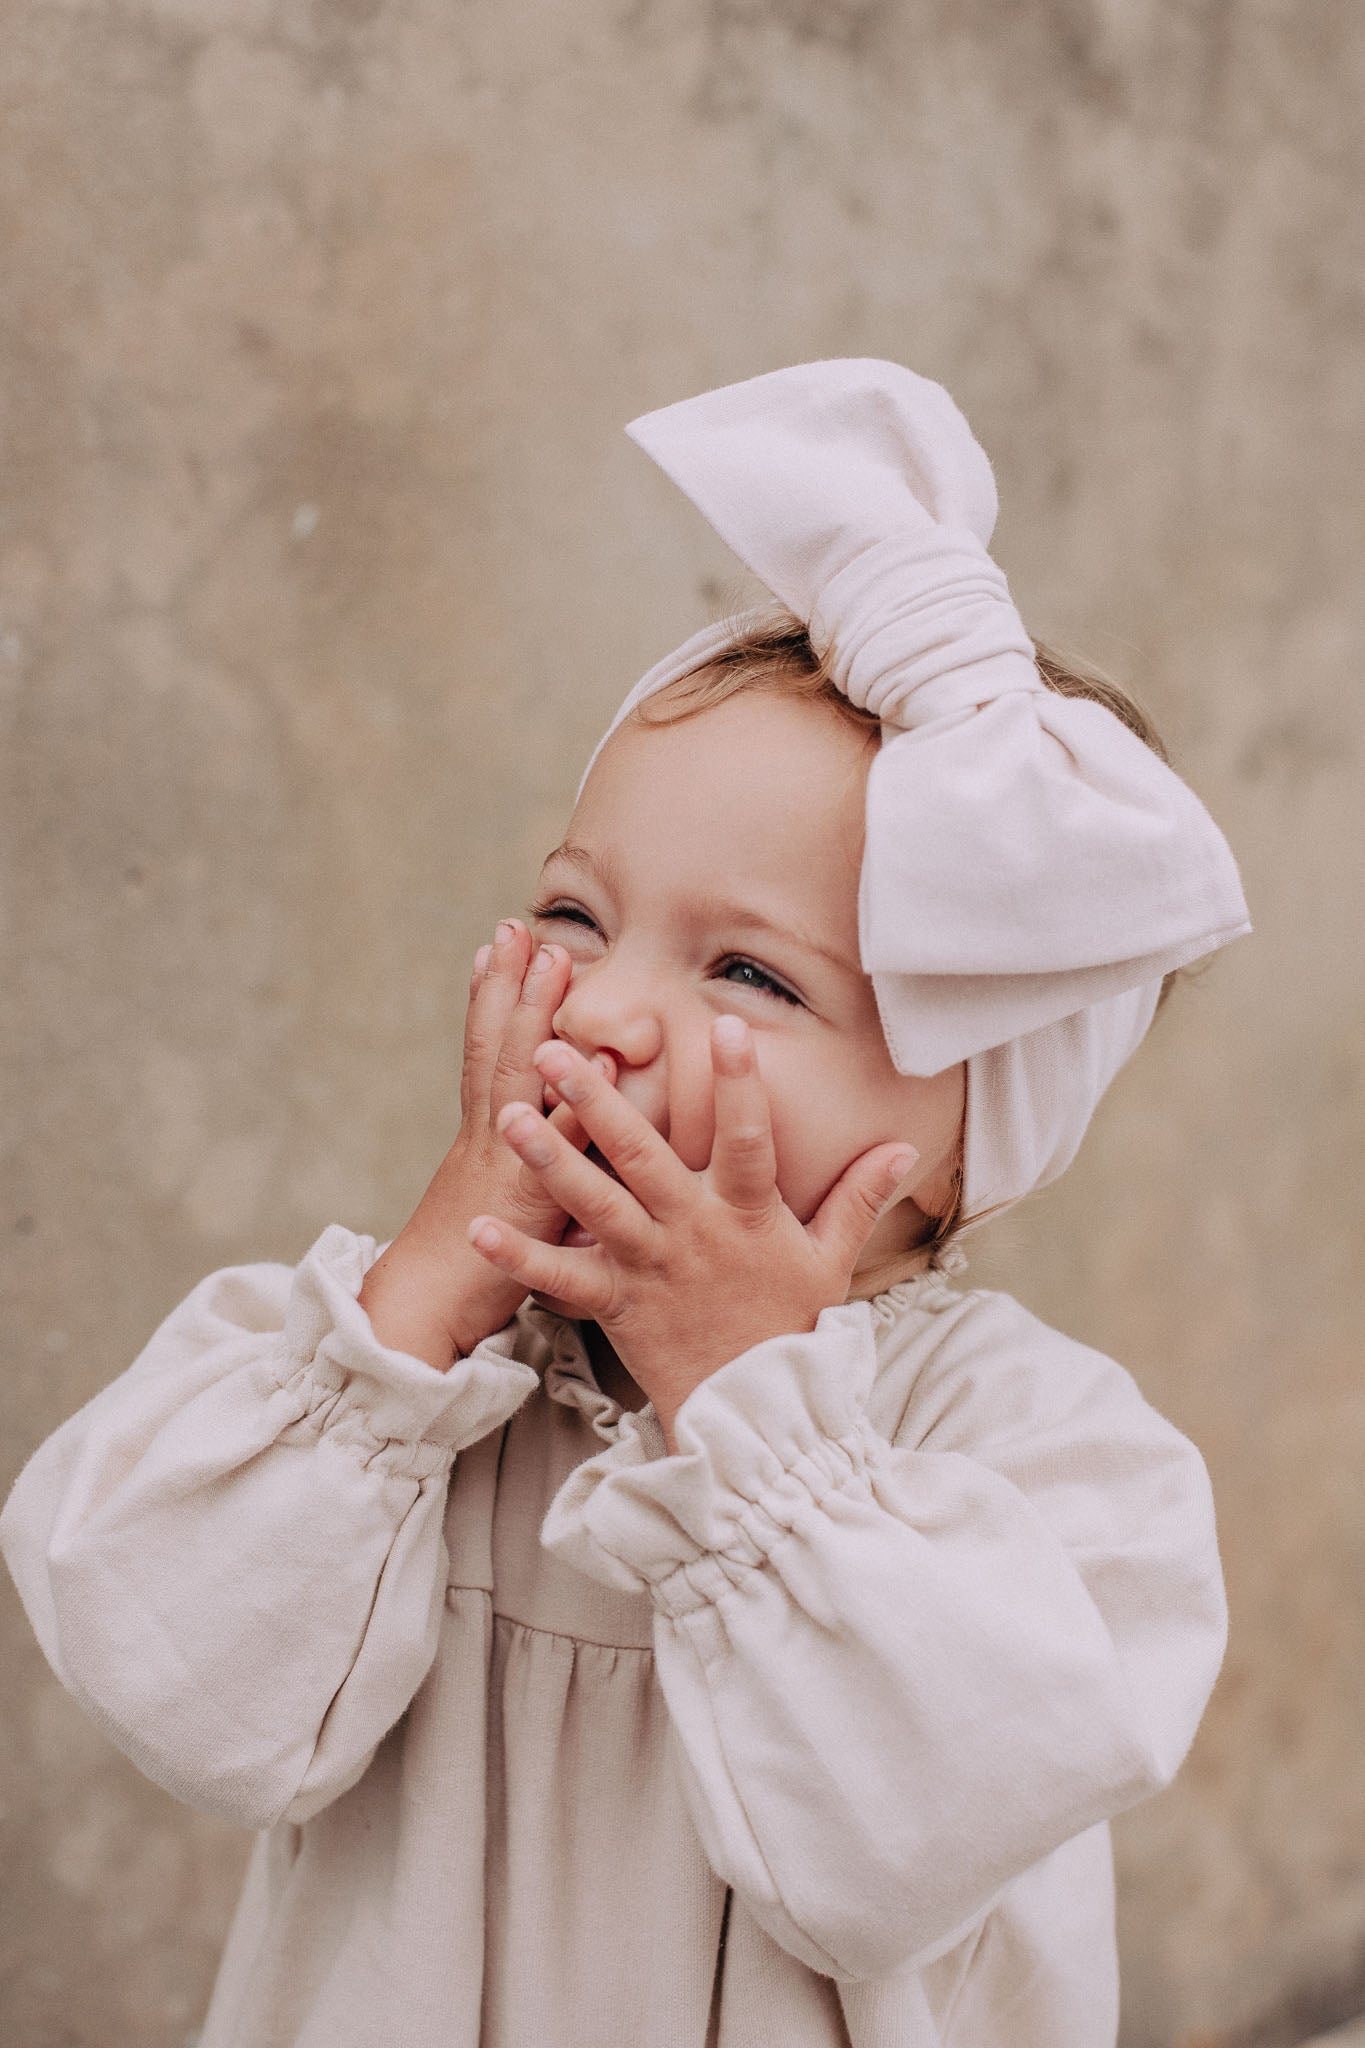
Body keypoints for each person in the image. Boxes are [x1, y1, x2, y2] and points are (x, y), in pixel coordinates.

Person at [1, 361, 1251, 2047]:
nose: (598, 1009)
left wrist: (748, 1406)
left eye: (749, 973)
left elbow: (889, 1855)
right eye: (575, 917)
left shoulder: (1043, 1465)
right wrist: (412, 1309)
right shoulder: (405, 1387)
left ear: (969, 1151)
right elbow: (188, 1698)